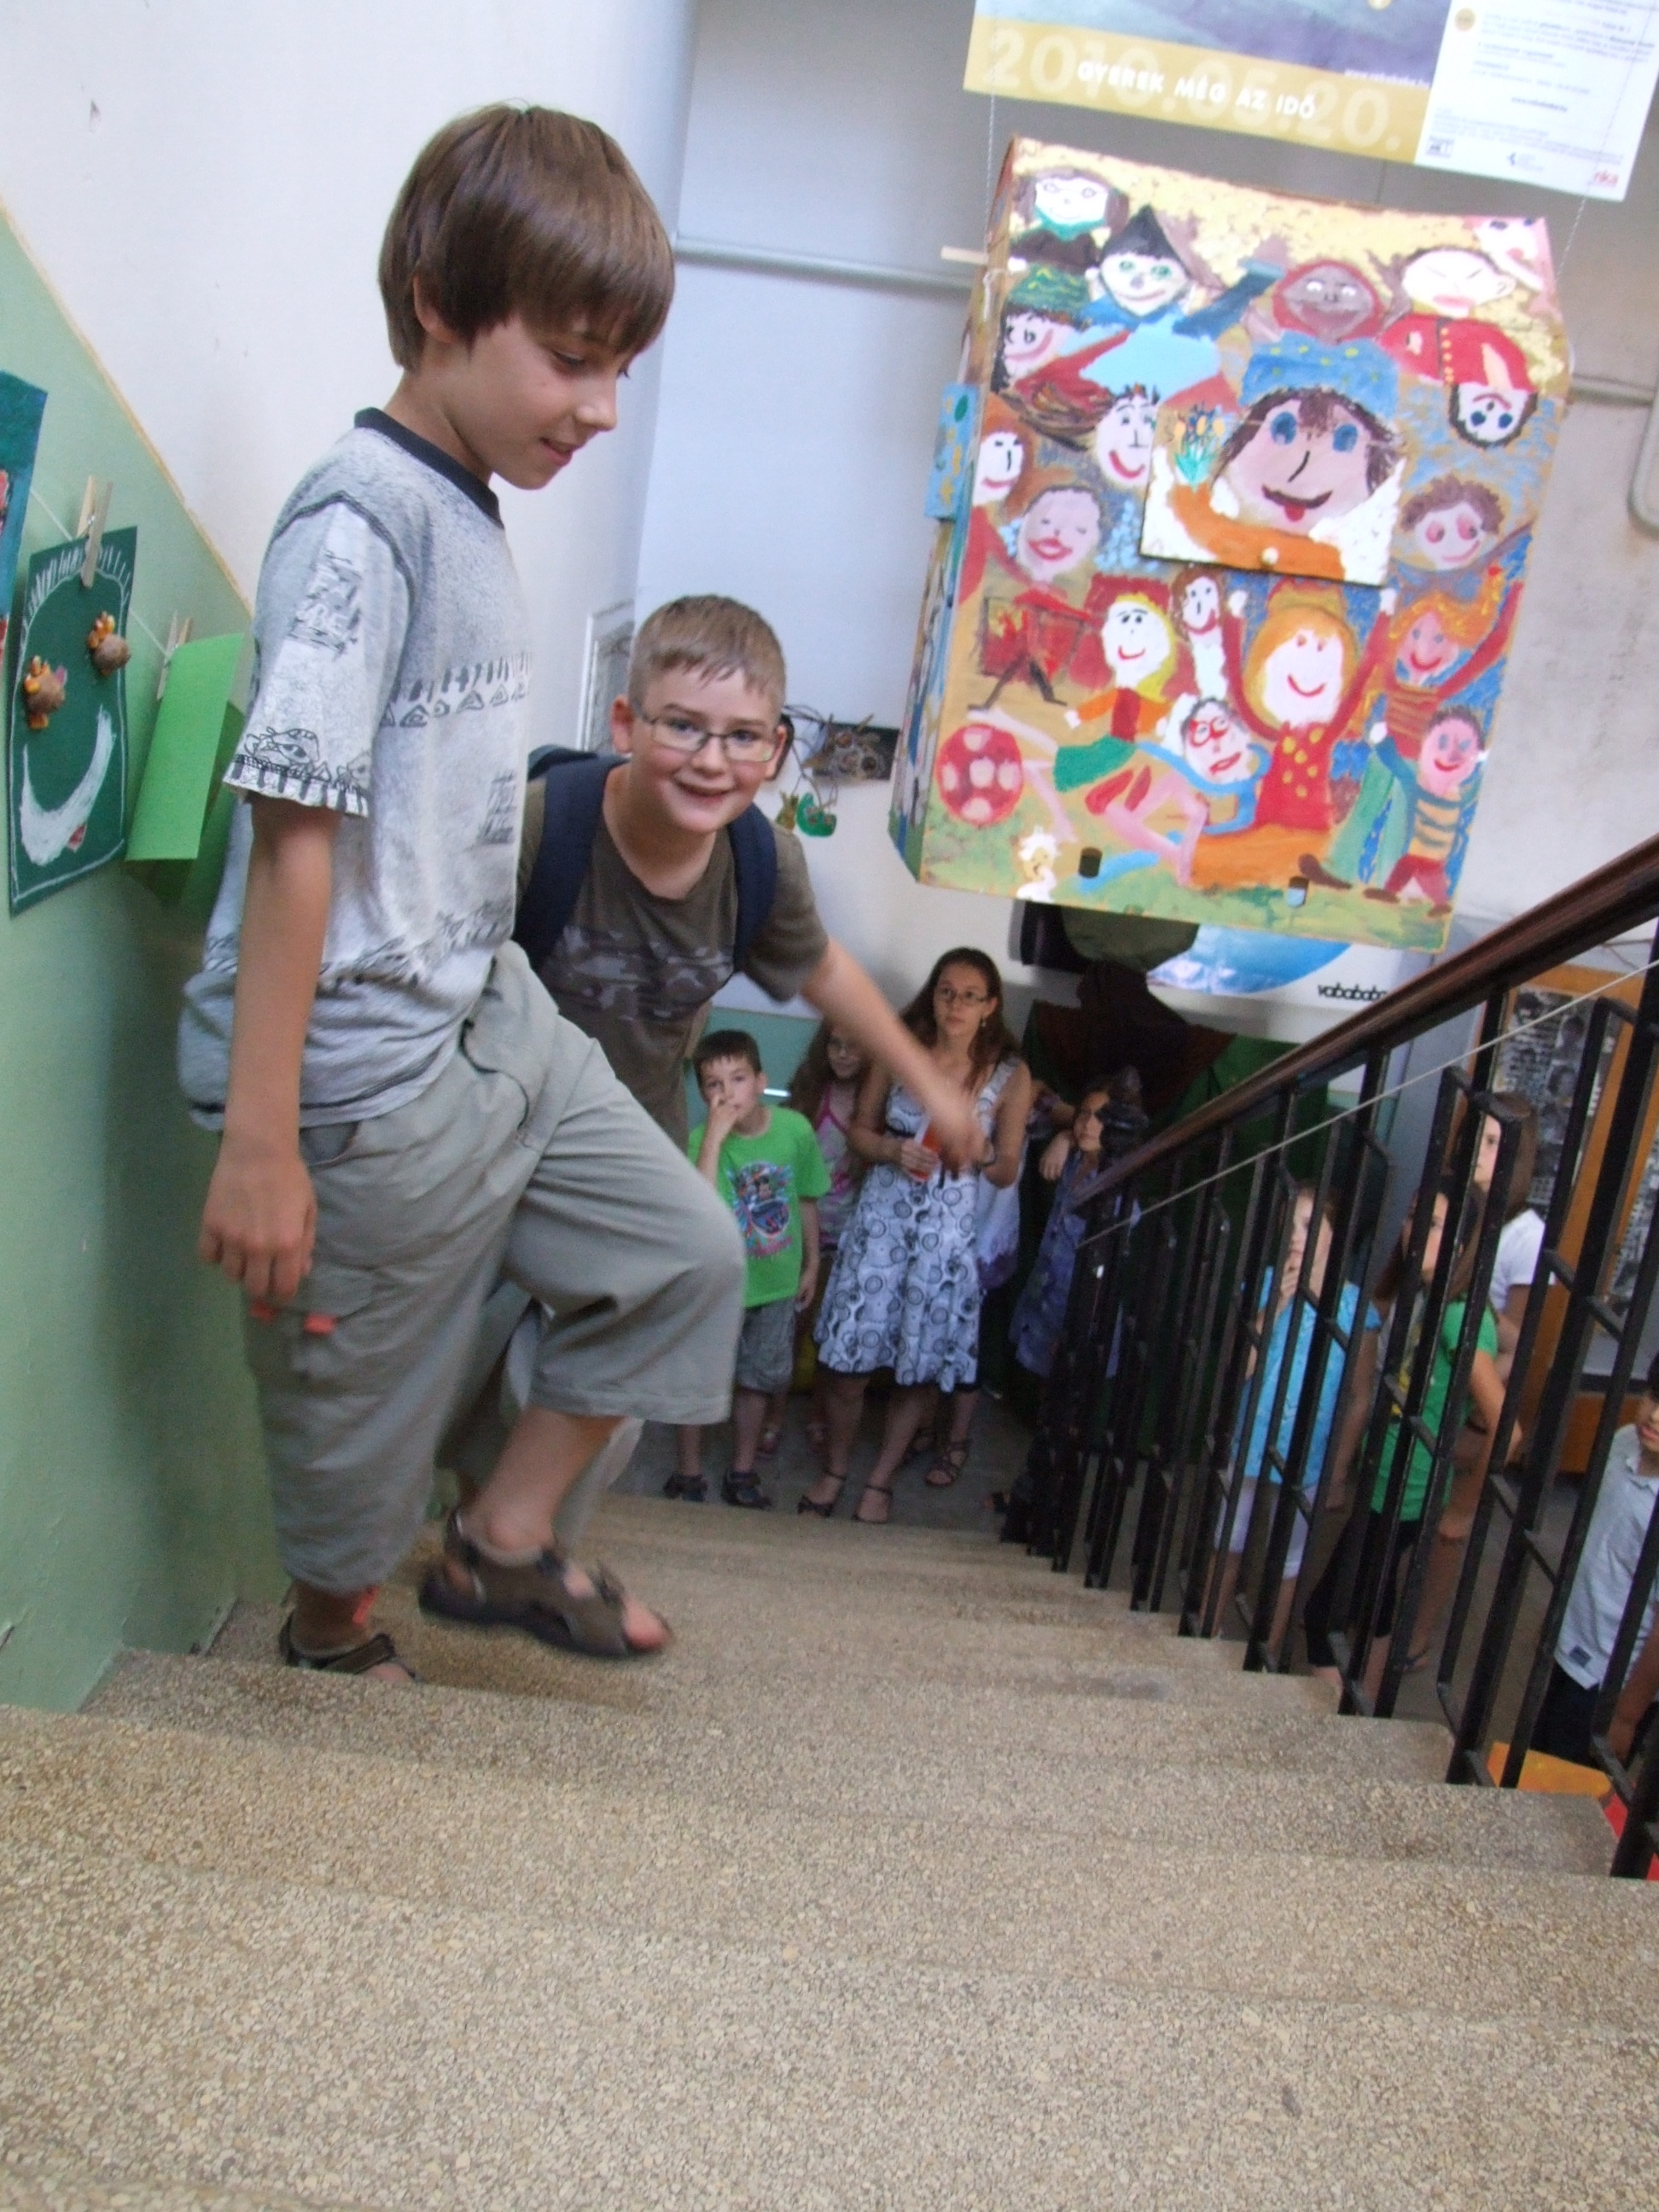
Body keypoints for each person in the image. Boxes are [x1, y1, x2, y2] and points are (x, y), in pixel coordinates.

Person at [178, 105, 736, 1677]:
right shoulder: (359, 526)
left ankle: (498, 1544)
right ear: (437, 305)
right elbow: (295, 839)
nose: (600, 408)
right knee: (348, 1434)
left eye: (618, 370)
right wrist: (264, 1140)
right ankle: (329, 1640)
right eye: (570, 361)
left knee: (686, 1257)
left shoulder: (468, 496)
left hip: (488, 1017)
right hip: (359, 1083)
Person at [479, 595, 980, 1540]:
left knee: (647, 1337)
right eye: (682, 727)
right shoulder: (542, 829)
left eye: (743, 737)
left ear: (777, 749)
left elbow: (824, 970)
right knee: (443, 1368)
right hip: (492, 1137)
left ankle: (516, 1539)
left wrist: (930, 1084)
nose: (712, 761)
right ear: (625, 724)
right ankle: (475, 1531)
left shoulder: (760, 865)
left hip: (623, 1150)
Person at [804, 951, 1033, 1522]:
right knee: (846, 1364)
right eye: (946, 991)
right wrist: (891, 1149)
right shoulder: (901, 1050)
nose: (956, 1005)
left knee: (917, 1369)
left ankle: (879, 1481)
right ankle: (835, 1470)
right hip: (881, 1227)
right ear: (933, 995)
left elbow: (1008, 1170)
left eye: (970, 996)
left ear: (991, 1006)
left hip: (945, 1240)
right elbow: (860, 1132)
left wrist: (980, 1148)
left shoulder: (1011, 1074)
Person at [1302, 1182, 1504, 1697]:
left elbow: (1507, 1426)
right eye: (1414, 1216)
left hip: (1406, 1492)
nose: (1413, 1231)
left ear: (1465, 1243)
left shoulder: (1458, 1316)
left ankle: (1344, 1720)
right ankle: (1367, 1708)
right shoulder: (1431, 1297)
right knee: (1375, 1600)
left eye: (1432, 1224)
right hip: (1389, 1481)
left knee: (1322, 1614)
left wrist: (1463, 1508)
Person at [1207, 1186, 1375, 1653]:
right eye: (1292, 1224)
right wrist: (1275, 1306)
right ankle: (1206, 1631)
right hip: (1251, 1437)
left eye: (1311, 1225)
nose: (1297, 1236)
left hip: (1308, 1449)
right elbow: (1238, 1367)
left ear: (1337, 1235)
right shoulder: (1265, 1285)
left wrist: (1338, 1471)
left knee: (1289, 1558)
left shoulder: (1354, 1309)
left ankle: (1267, 1652)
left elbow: (1359, 1397)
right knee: (1228, 1537)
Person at [671, 1032, 828, 1509]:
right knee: (697, 1379)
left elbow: (805, 1198)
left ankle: (742, 1470)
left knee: (757, 1380)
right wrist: (713, 1139)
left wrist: (812, 1262)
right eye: (713, 1084)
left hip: (774, 1286)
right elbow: (698, 1210)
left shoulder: (795, 1130)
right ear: (703, 1094)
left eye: (737, 1079)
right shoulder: (700, 1141)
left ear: (761, 1082)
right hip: (715, 1287)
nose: (727, 1094)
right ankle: (688, 1471)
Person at [1532, 1354, 1659, 1767]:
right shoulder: (1623, 1441)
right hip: (1573, 1645)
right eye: (1653, 1396)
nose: (1655, 1416)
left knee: (1569, 1782)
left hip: (1613, 1678)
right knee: (1538, 1756)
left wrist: (1626, 1716)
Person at [771, 1022, 870, 1456]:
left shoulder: (874, 1105)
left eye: (854, 1046)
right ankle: (774, 1415)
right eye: (835, 1044)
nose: (843, 1054)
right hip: (801, 1229)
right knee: (789, 1329)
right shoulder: (812, 1095)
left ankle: (817, 1415)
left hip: (849, 1233)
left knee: (827, 1333)